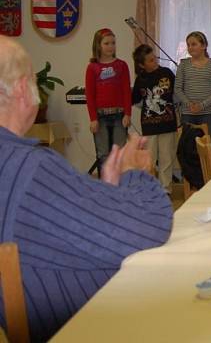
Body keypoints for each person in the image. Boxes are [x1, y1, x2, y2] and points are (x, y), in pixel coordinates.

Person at [0, 35, 172, 342]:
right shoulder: (31, 170)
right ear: (25, 90)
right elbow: (148, 227)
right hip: (93, 326)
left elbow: (60, 229)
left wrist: (108, 191)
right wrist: (134, 172)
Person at [132, 44, 179, 195]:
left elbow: (176, 94)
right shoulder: (141, 80)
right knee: (150, 160)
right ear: (142, 64)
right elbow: (136, 100)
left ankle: (166, 189)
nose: (155, 61)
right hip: (149, 126)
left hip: (168, 123)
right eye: (150, 60)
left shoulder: (167, 73)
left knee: (167, 158)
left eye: (155, 58)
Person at [85, 27, 132, 166]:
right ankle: (105, 187)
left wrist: (127, 114)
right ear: (98, 45)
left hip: (119, 115)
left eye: (113, 43)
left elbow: (126, 91)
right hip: (100, 117)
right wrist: (93, 118)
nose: (110, 46)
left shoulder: (121, 65)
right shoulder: (92, 67)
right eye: (106, 43)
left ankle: (120, 186)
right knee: (103, 154)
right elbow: (90, 95)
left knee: (119, 154)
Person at [174, 31, 211, 145]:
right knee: (187, 149)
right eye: (188, 45)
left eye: (194, 44)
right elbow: (177, 88)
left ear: (204, 46)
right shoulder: (183, 65)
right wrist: (189, 104)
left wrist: (202, 105)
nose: (190, 47)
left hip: (207, 114)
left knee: (207, 147)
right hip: (187, 113)